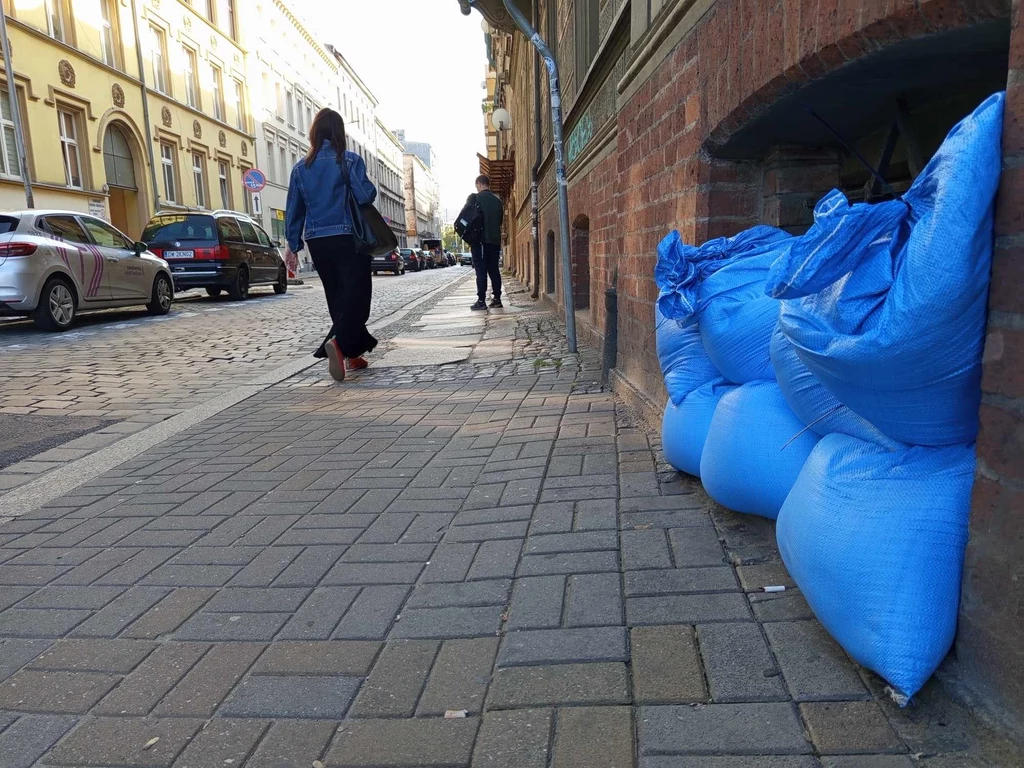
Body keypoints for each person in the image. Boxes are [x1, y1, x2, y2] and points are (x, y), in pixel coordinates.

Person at [285, 108, 377, 383]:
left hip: (317, 241)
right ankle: (337, 343)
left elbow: (294, 209)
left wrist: (293, 244)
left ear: (314, 133)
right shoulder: (349, 160)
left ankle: (353, 355)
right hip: (348, 237)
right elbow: (366, 195)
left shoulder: (301, 168)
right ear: (340, 133)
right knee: (357, 298)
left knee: (337, 297)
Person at [470, 175, 503, 311]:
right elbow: (499, 221)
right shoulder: (498, 201)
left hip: (480, 242)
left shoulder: (475, 199)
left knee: (481, 271)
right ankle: (497, 299)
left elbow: (468, 218)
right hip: (494, 241)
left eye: (476, 185)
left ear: (479, 184)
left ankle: (481, 300)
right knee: (494, 269)